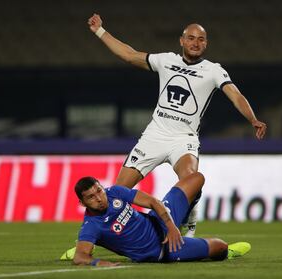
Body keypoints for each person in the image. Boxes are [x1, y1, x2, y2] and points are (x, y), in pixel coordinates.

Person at [86, 13, 267, 237]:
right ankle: (88, 240)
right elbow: (129, 55)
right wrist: (100, 31)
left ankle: (188, 220)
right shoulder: (166, 60)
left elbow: (236, 95)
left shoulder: (213, 70)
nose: (195, 43)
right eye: (191, 38)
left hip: (184, 139)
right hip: (154, 136)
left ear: (206, 43)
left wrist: (252, 119)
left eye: (201, 39)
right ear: (181, 41)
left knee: (191, 179)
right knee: (116, 193)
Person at [72, 172, 251, 265]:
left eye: (99, 191)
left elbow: (152, 201)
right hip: (163, 249)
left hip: (159, 221)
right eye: (91, 197)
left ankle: (182, 224)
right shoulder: (91, 227)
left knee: (196, 179)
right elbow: (80, 257)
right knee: (220, 247)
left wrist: (171, 226)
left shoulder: (114, 193)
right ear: (82, 203)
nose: (99, 198)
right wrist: (99, 263)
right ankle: (228, 254)